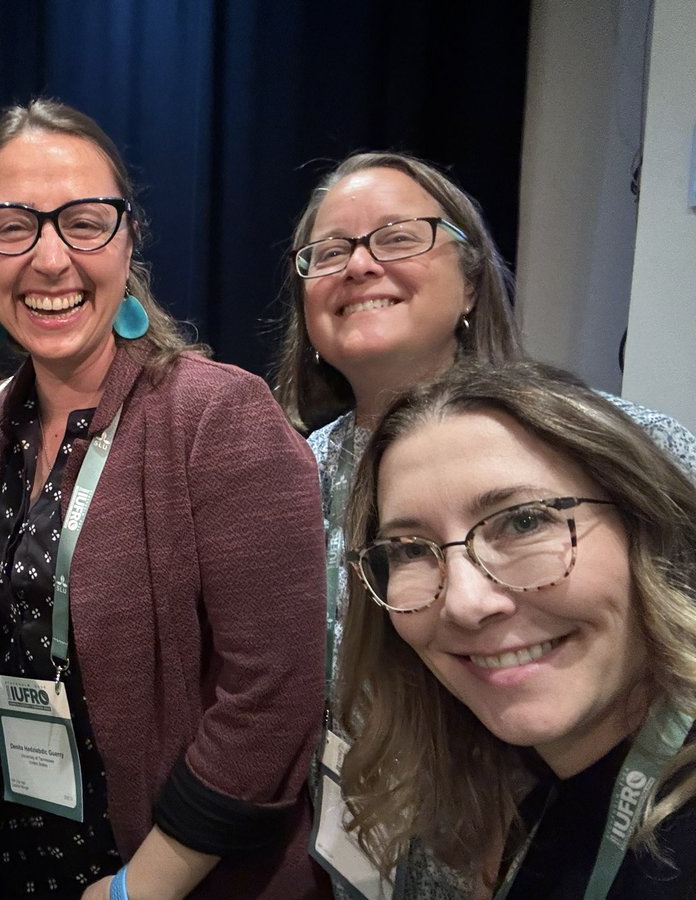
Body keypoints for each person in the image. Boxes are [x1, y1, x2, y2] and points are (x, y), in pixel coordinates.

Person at [273, 151, 696, 897]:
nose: (360, 265)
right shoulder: (274, 475)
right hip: (346, 848)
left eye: (397, 237)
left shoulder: (625, 442)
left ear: (472, 279)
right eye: (329, 252)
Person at [0, 98, 327, 900]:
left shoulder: (215, 415)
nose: (50, 259)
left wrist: (144, 886)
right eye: (13, 225)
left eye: (84, 221)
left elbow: (275, 697)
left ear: (129, 240)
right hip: (24, 863)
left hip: (184, 877)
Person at [336, 358, 696, 898]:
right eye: (410, 549)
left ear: (645, 527)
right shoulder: (521, 783)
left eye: (525, 521)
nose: (464, 602)